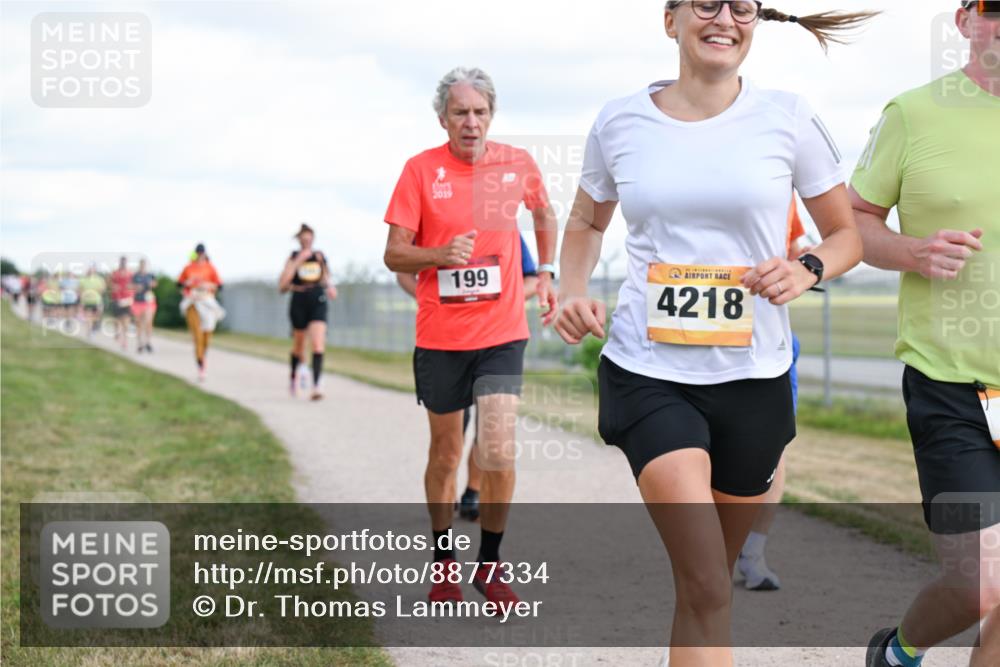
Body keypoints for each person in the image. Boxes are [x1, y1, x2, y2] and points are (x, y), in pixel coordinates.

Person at [554, 2, 873, 663]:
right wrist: (573, 291)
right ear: (670, 20)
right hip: (648, 373)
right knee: (704, 578)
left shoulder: (788, 116)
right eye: (706, 3)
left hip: (753, 380)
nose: (725, 17)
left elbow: (848, 235)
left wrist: (806, 269)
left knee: (706, 590)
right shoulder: (620, 120)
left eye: (743, 6)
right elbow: (586, 222)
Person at [852, 3, 1000, 666]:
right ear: (965, 19)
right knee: (982, 581)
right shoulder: (913, 113)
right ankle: (899, 651)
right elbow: (853, 221)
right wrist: (914, 251)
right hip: (952, 381)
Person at [383, 67, 558, 608]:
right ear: (443, 119)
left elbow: (545, 212)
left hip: (502, 332)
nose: (471, 122)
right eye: (460, 112)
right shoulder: (419, 171)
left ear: (491, 116)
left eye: (479, 112)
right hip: (440, 336)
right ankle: (442, 564)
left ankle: (490, 565)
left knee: (500, 448)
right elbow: (394, 253)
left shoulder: (516, 165)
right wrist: (438, 255)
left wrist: (546, 271)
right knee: (446, 451)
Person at [397, 233, 542, 521]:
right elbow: (402, 271)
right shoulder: (435, 222)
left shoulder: (505, 229)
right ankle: (446, 498)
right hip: (447, 340)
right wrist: (431, 297)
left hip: (495, 339)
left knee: (490, 430)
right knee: (450, 438)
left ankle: (473, 491)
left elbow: (532, 279)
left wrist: (497, 299)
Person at [736, 199, 808, 591]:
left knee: (775, 447)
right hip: (695, 345)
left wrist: (802, 264)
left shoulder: (776, 183)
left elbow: (796, 250)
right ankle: (711, 547)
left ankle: (753, 553)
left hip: (769, 342)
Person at [278, 223, 338, 400]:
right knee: (299, 345)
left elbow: (327, 277)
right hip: (299, 300)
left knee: (318, 343)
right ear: (299, 240)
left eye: (309, 238)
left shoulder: (319, 256)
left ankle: (317, 385)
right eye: (303, 238)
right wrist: (298, 261)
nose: (306, 241)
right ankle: (295, 375)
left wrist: (331, 287)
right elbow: (282, 285)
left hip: (318, 299)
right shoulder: (293, 257)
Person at [177, 244, 224, 382]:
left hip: (207, 300)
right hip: (192, 301)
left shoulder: (210, 267)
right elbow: (179, 284)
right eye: (198, 253)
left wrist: (209, 285)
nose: (199, 256)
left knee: (206, 335)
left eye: (201, 253)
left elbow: (220, 285)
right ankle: (201, 366)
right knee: (197, 336)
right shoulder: (188, 267)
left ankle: (203, 358)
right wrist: (187, 283)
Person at [131, 259, 158, 353]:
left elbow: (155, 284)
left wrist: (151, 284)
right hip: (137, 301)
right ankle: (140, 344)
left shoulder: (150, 275)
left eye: (144, 265)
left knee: (148, 322)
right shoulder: (135, 275)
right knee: (139, 323)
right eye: (141, 265)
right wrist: (136, 287)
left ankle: (148, 342)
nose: (143, 267)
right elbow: (130, 286)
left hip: (148, 301)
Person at [109, 257, 134, 350]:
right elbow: (109, 283)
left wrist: (131, 289)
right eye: (122, 262)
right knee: (117, 320)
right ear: (120, 262)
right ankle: (117, 332)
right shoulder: (115, 273)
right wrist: (113, 286)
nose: (123, 263)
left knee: (126, 321)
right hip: (116, 298)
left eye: (125, 262)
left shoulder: (130, 273)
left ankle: (125, 342)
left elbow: (133, 285)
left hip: (127, 299)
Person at [78, 264, 107, 337]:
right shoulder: (83, 279)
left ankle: (96, 325)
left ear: (95, 271)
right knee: (88, 316)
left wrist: (96, 292)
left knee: (98, 314)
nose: (90, 271)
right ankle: (89, 332)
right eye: (89, 269)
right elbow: (79, 290)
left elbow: (103, 289)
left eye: (92, 270)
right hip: (87, 301)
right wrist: (82, 298)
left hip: (96, 301)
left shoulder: (99, 279)